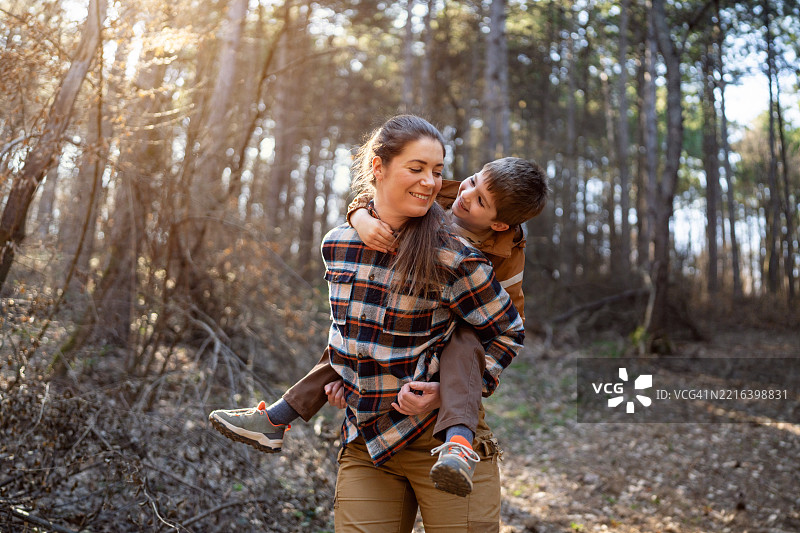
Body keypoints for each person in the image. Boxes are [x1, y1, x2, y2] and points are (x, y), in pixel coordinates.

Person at [210, 115, 525, 530]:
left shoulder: (458, 257)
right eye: (417, 168)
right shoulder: (337, 244)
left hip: (439, 435)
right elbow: (347, 332)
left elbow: (508, 330)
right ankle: (275, 419)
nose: (432, 183)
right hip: (368, 442)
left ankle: (460, 442)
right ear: (378, 167)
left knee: (464, 339)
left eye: (437, 171)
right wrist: (345, 373)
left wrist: (443, 392)